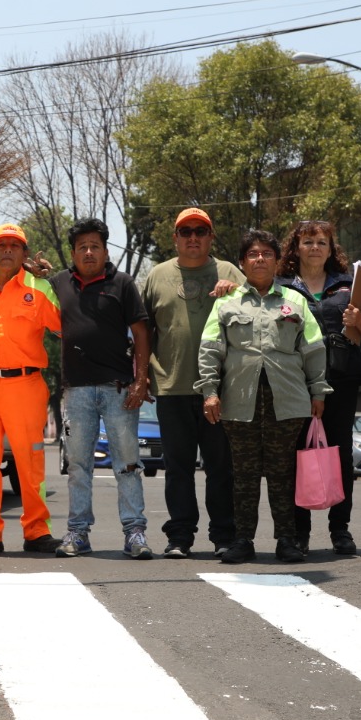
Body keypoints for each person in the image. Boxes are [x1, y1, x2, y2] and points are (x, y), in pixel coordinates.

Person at [198, 230, 330, 564]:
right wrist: (210, 392)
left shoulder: (295, 301)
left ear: (276, 260)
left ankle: (287, 540)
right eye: (253, 254)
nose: (260, 259)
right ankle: (243, 540)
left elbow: (313, 349)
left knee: (283, 472)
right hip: (238, 401)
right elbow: (210, 349)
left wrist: (318, 391)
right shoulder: (226, 304)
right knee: (242, 474)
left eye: (267, 254)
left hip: (287, 401)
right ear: (242, 263)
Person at [140, 208, 242, 559]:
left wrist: (236, 293)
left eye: (201, 231)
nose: (193, 237)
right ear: (175, 238)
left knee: (221, 469)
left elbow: (255, 315)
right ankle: (179, 536)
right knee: (177, 469)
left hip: (221, 390)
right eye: (186, 232)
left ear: (211, 237)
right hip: (172, 386)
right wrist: (142, 377)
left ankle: (224, 535)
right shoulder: (157, 275)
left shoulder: (230, 272)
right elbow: (143, 331)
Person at [49, 218, 153, 559]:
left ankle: (134, 533)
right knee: (78, 465)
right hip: (76, 391)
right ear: (73, 252)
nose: (89, 252)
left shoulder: (122, 284)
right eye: (82, 247)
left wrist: (141, 380)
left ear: (106, 250)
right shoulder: (59, 283)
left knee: (127, 463)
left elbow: (141, 333)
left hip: (119, 389)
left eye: (95, 246)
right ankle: (78, 532)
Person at [0, 223, 63, 556]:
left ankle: (36, 531)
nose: (7, 250)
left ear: (25, 254)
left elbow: (68, 327)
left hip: (26, 385)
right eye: (0, 245)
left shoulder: (41, 288)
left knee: (30, 462)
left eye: (14, 246)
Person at [275, 221, 361, 556]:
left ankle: (340, 529)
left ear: (332, 249)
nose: (315, 247)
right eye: (307, 241)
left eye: (321, 242)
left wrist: (359, 320)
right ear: (296, 247)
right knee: (298, 456)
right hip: (294, 382)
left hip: (342, 380)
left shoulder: (351, 285)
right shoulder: (282, 287)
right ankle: (298, 531)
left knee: (340, 454)